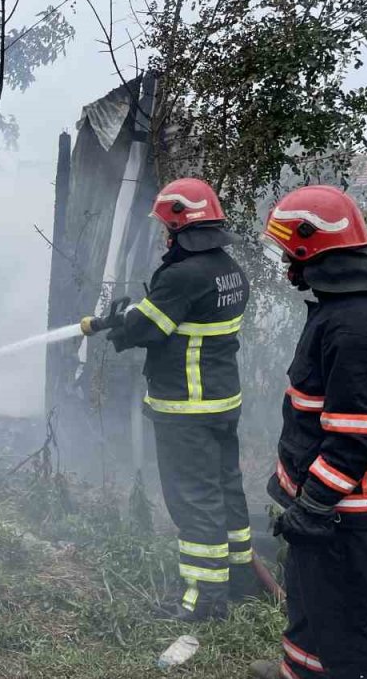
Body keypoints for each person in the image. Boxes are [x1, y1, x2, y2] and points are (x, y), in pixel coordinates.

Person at [253, 184, 367, 679]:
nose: (284, 264)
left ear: (311, 248)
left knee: (352, 605)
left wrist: (317, 503)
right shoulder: (342, 308)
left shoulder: (355, 325)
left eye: (287, 251)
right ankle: (308, 672)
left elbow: (356, 435)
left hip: (349, 502)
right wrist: (297, 492)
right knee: (309, 589)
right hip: (325, 496)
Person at [87, 177, 253, 621]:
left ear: (179, 226)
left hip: (187, 408)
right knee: (225, 488)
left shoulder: (182, 274)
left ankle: (203, 599)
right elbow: (175, 315)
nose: (164, 234)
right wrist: (128, 316)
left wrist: (121, 324)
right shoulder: (228, 269)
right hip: (222, 402)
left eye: (166, 226)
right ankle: (239, 580)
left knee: (193, 500)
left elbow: (149, 327)